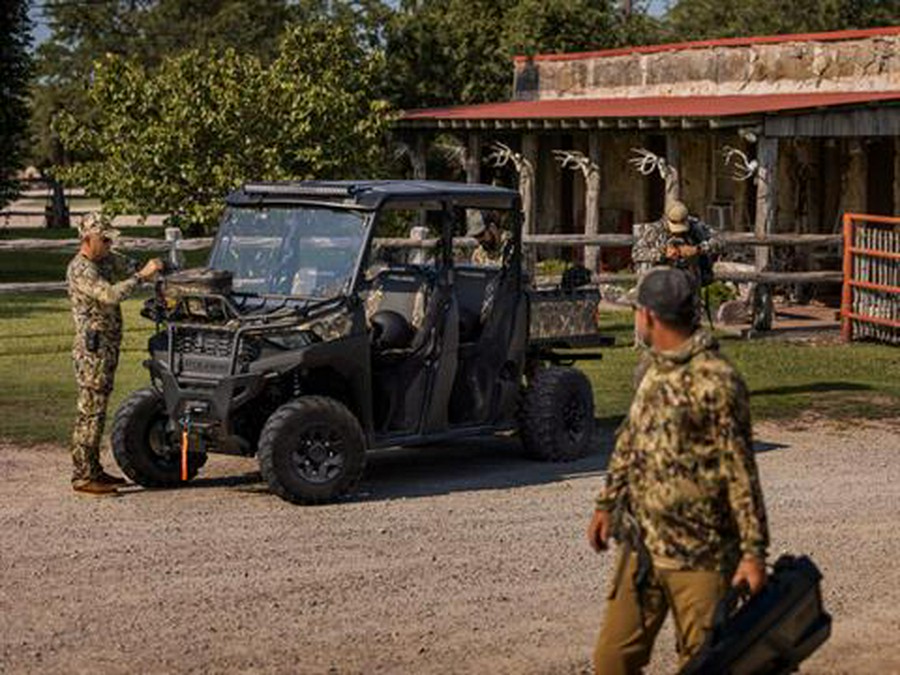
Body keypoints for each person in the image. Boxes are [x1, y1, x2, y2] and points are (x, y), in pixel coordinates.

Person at [586, 267, 769, 674]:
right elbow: (630, 440)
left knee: (702, 664)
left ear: (648, 316)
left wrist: (754, 554)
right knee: (612, 661)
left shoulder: (716, 380)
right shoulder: (651, 369)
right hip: (643, 546)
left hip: (701, 554)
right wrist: (607, 503)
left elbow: (740, 471)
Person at [67, 213, 164, 495]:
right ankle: (83, 475)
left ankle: (94, 469)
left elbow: (129, 264)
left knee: (98, 410)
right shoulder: (81, 269)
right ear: (88, 239)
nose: (109, 243)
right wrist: (140, 276)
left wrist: (154, 269)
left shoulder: (105, 258)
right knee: (90, 412)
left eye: (110, 239)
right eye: (104, 239)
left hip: (106, 347)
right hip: (92, 352)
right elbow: (110, 295)